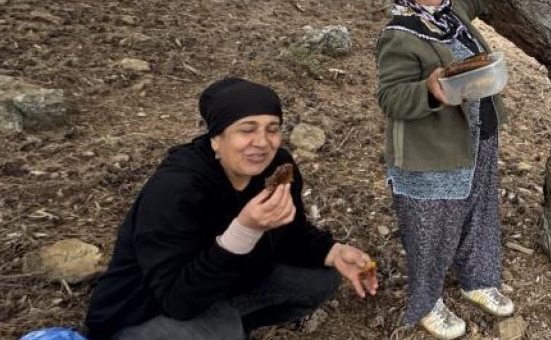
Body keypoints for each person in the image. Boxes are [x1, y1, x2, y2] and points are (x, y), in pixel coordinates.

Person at [84, 77, 378, 340]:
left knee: (320, 278)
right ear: (216, 138)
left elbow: (291, 232)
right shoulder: (177, 190)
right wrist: (245, 229)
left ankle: (227, 326)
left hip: (223, 286)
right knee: (222, 328)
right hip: (145, 311)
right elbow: (176, 298)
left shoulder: (277, 168)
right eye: (246, 130)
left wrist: (334, 251)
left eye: (272, 129)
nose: (262, 143)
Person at [375, 0, 514, 340]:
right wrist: (429, 90)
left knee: (478, 210)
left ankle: (477, 280)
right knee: (431, 229)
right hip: (432, 152)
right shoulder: (399, 35)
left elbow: (471, 0)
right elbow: (389, 97)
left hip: (480, 135)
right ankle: (427, 303)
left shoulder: (451, 17)